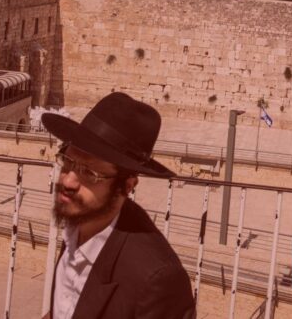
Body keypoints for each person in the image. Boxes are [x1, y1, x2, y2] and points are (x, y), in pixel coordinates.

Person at [41, 92, 195, 319]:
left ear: (126, 186)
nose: (67, 181)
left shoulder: (156, 279)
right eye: (68, 162)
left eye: (90, 173)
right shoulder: (79, 223)